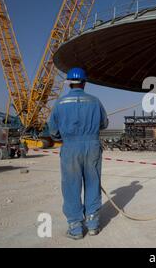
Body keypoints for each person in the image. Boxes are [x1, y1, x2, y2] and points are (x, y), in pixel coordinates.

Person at [49, 68, 109, 240]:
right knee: (93, 182)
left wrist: (65, 137)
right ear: (84, 83)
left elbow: (53, 130)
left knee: (71, 185)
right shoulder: (95, 101)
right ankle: (93, 225)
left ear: (69, 83)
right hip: (92, 146)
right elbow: (104, 124)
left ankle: (75, 228)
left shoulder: (60, 103)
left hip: (70, 148)